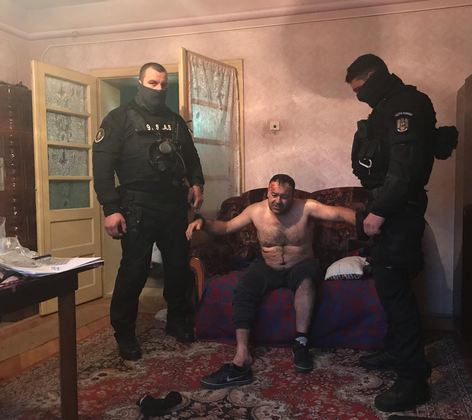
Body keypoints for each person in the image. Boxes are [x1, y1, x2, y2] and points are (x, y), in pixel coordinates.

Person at [345, 54, 457, 412]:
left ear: (373, 77)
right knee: (390, 286)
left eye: (359, 89)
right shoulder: (387, 106)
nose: (358, 96)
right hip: (392, 208)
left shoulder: (404, 106)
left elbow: (405, 170)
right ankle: (396, 351)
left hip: (397, 211)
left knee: (397, 294)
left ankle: (414, 379)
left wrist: (379, 211)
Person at [186, 174, 356, 389]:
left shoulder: (307, 207)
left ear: (293, 196)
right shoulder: (256, 211)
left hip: (301, 265)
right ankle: (242, 355)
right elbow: (227, 227)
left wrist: (365, 220)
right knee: (244, 288)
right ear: (268, 192)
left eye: (284, 197)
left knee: (306, 283)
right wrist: (203, 223)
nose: (278, 201)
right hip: (268, 265)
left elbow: (339, 213)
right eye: (274, 195)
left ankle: (301, 343)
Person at [93, 62, 204, 361]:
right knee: (134, 270)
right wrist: (110, 209)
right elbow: (102, 168)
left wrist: (197, 183)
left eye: (163, 84)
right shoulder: (118, 118)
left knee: (178, 267)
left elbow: (192, 157)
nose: (159, 89)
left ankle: (178, 321)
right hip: (136, 204)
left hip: (173, 203)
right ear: (140, 82)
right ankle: (124, 333)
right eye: (153, 83)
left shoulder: (174, 120)